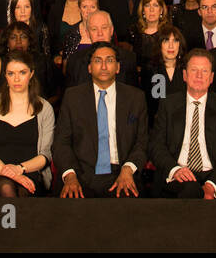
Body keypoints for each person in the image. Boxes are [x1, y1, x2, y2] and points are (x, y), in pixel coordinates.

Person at [54, 41, 149, 198]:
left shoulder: (135, 98)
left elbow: (142, 142)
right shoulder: (73, 97)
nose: (104, 66)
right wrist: (70, 175)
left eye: (110, 60)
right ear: (89, 68)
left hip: (121, 172)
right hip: (81, 173)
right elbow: (61, 143)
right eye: (98, 61)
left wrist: (128, 169)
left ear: (118, 67)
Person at [149, 49, 216, 198]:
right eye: (194, 70)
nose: (199, 75)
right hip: (178, 175)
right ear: (184, 75)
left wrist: (212, 185)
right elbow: (156, 146)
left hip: (214, 175)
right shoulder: (168, 105)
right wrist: (174, 169)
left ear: (211, 78)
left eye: (204, 71)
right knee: (190, 191)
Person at [0, 51, 55, 196]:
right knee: (6, 187)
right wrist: (12, 175)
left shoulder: (44, 108)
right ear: (5, 76)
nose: (16, 79)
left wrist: (20, 169)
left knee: (23, 191)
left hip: (30, 172)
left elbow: (45, 155)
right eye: (11, 73)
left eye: (22, 72)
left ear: (31, 74)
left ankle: (14, 220)